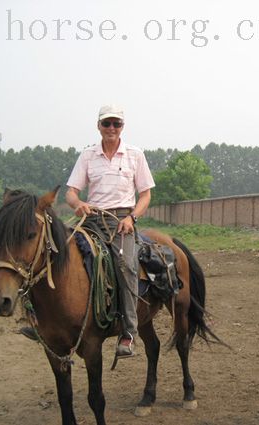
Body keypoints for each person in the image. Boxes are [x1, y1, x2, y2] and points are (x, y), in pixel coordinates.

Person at [65, 104, 155, 358]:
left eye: (116, 124)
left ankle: (128, 332)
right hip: (92, 218)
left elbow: (146, 194)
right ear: (99, 127)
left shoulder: (135, 155)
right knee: (57, 252)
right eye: (107, 124)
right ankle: (42, 319)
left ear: (122, 127)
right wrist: (78, 204)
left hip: (122, 221)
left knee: (126, 265)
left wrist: (132, 218)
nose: (111, 128)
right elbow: (71, 192)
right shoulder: (87, 155)